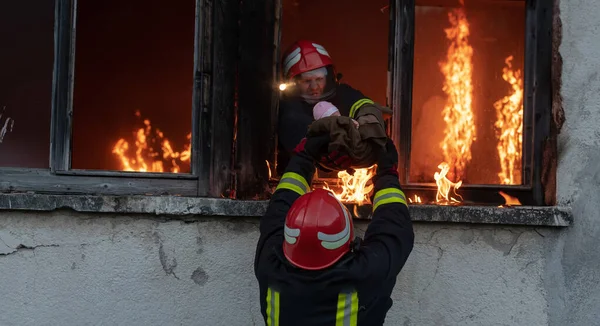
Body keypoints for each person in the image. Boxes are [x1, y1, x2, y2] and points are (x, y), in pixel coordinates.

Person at [254, 133, 414, 325]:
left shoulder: (270, 265)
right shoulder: (365, 274)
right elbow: (394, 227)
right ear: (348, 241)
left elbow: (277, 211)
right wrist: (387, 173)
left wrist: (304, 157)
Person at [276, 40, 391, 175]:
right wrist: (327, 145)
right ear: (293, 84)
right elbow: (301, 135)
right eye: (307, 81)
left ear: (329, 77)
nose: (314, 87)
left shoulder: (342, 92)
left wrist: (369, 115)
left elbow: (360, 103)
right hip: (304, 180)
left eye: (319, 79)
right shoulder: (289, 110)